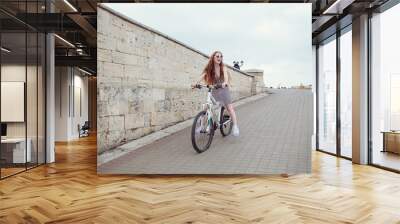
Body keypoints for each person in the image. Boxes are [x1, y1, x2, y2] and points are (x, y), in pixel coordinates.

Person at [193, 51, 239, 137]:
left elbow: (226, 77)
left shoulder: (223, 67)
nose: (219, 58)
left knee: (229, 108)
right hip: (214, 89)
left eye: (221, 56)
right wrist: (196, 83)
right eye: (217, 56)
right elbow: (203, 75)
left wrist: (225, 82)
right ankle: (202, 126)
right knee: (207, 107)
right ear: (213, 57)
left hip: (223, 88)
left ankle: (235, 126)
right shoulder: (209, 68)